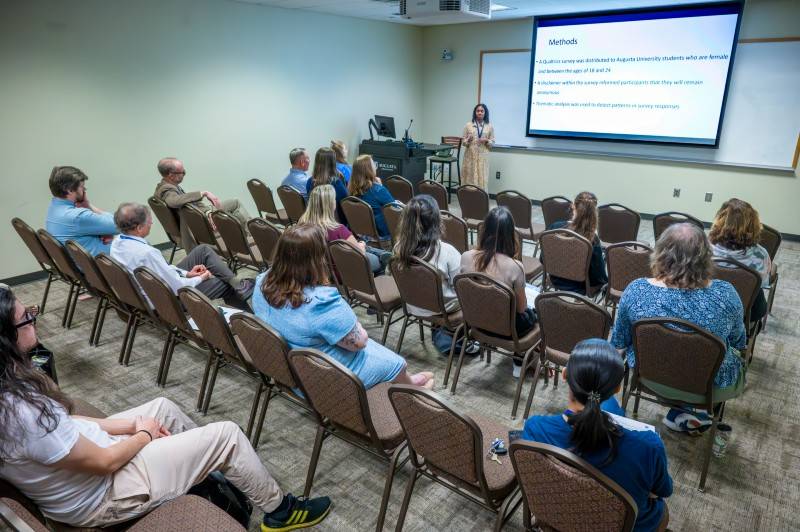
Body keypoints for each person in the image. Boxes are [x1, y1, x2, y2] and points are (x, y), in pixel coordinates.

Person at [0, 286, 332, 531]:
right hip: (103, 494)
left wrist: (130, 428)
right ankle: (281, 511)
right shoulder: (20, 412)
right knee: (226, 435)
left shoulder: (10, 382)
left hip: (87, 472)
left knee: (162, 407)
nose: (33, 319)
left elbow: (66, 423)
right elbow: (103, 462)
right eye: (25, 317)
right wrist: (143, 435)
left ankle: (205, 473)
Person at [251, 224, 434, 389]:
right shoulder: (321, 301)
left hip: (291, 363)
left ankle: (408, 381)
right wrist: (356, 324)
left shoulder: (262, 282)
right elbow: (359, 342)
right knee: (396, 363)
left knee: (380, 352)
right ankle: (413, 393)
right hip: (326, 373)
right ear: (316, 259)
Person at [522, 339, 672, 532]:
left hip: (558, 515)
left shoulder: (535, 429)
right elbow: (663, 490)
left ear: (565, 374)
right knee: (659, 508)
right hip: (624, 526)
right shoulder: (649, 447)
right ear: (617, 389)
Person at [611, 223, 746, 432]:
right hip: (707, 387)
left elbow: (618, 342)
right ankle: (695, 411)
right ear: (706, 257)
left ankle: (682, 411)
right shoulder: (727, 294)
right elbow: (739, 342)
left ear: (660, 253)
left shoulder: (636, 290)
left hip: (650, 377)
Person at [110, 203, 254, 311]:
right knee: (221, 283)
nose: (152, 223)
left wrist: (187, 273)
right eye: (149, 222)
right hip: (169, 302)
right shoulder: (147, 253)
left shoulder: (117, 243)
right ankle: (251, 323)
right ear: (138, 228)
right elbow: (175, 286)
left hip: (150, 291)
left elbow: (163, 271)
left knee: (202, 250)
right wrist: (200, 278)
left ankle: (239, 286)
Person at [393, 195, 478, 356]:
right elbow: (462, 289)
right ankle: (466, 339)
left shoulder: (399, 248)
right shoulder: (446, 251)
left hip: (413, 305)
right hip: (441, 309)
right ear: (436, 222)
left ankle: (442, 335)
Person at [460, 207, 536, 377]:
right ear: (511, 234)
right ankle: (519, 362)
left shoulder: (466, 257)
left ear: (484, 229)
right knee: (536, 313)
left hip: (476, 323)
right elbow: (521, 309)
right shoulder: (515, 267)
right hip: (507, 330)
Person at [154, 157, 252, 251]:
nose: (184, 174)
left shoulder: (162, 187)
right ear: (171, 175)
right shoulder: (166, 189)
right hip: (199, 222)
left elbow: (183, 204)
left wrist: (207, 210)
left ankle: (246, 238)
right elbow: (174, 201)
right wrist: (203, 193)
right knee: (235, 203)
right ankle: (251, 237)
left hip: (198, 218)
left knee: (232, 207)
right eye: (182, 172)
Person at [298, 185, 390, 275]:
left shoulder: (302, 226)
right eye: (334, 199)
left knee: (366, 247)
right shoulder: (337, 229)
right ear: (329, 205)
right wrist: (361, 246)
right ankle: (386, 259)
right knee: (372, 255)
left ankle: (384, 255)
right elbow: (359, 252)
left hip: (320, 269)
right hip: (342, 270)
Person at [708, 198, 770, 323]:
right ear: (753, 225)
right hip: (745, 314)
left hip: (708, 307)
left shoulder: (703, 247)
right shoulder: (761, 255)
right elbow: (763, 283)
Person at [45, 166, 118, 256]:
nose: (84, 190)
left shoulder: (54, 207)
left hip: (78, 263)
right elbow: (119, 225)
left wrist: (104, 232)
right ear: (70, 190)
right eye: (82, 187)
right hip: (102, 265)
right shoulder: (78, 217)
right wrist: (88, 205)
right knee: (135, 232)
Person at [546, 191, 608, 294]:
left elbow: (543, 259)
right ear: (594, 212)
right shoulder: (592, 239)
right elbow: (599, 276)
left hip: (555, 280)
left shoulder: (554, 227)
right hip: (581, 287)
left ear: (573, 206)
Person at [348, 154, 396, 240]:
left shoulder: (351, 191)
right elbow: (395, 209)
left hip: (360, 235)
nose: (375, 166)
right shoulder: (378, 190)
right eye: (373, 164)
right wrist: (380, 187)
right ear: (369, 169)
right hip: (382, 237)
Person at [305, 148, 349, 225]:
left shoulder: (310, 181)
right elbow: (346, 203)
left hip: (315, 222)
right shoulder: (336, 183)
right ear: (333, 162)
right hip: (334, 224)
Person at [461, 103, 495, 189]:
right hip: (470, 156)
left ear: (485, 113)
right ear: (475, 112)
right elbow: (463, 142)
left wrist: (486, 140)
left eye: (482, 111)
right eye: (478, 111)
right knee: (469, 178)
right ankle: (468, 198)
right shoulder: (468, 125)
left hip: (483, 157)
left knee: (482, 178)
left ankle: (481, 199)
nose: (480, 113)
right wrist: (468, 139)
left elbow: (492, 142)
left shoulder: (489, 126)